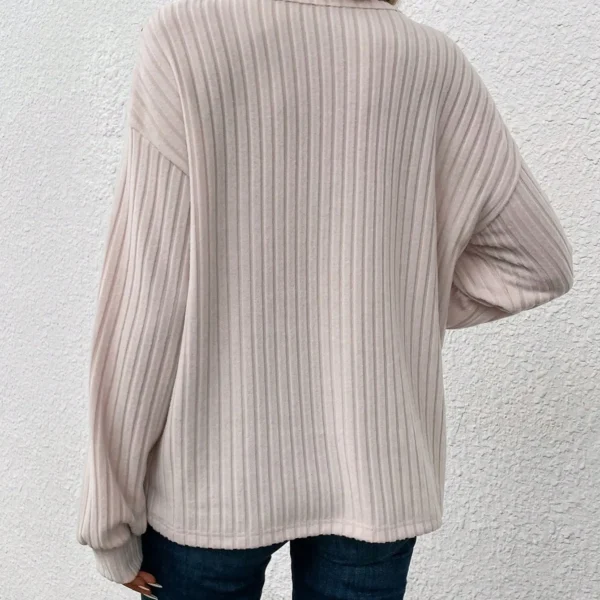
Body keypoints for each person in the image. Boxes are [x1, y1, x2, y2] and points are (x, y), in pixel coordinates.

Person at [75, 0, 574, 597]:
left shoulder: (187, 39)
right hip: (375, 470)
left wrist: (110, 517)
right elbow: (537, 261)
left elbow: (147, 299)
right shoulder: (429, 63)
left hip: (209, 480)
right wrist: (394, 304)